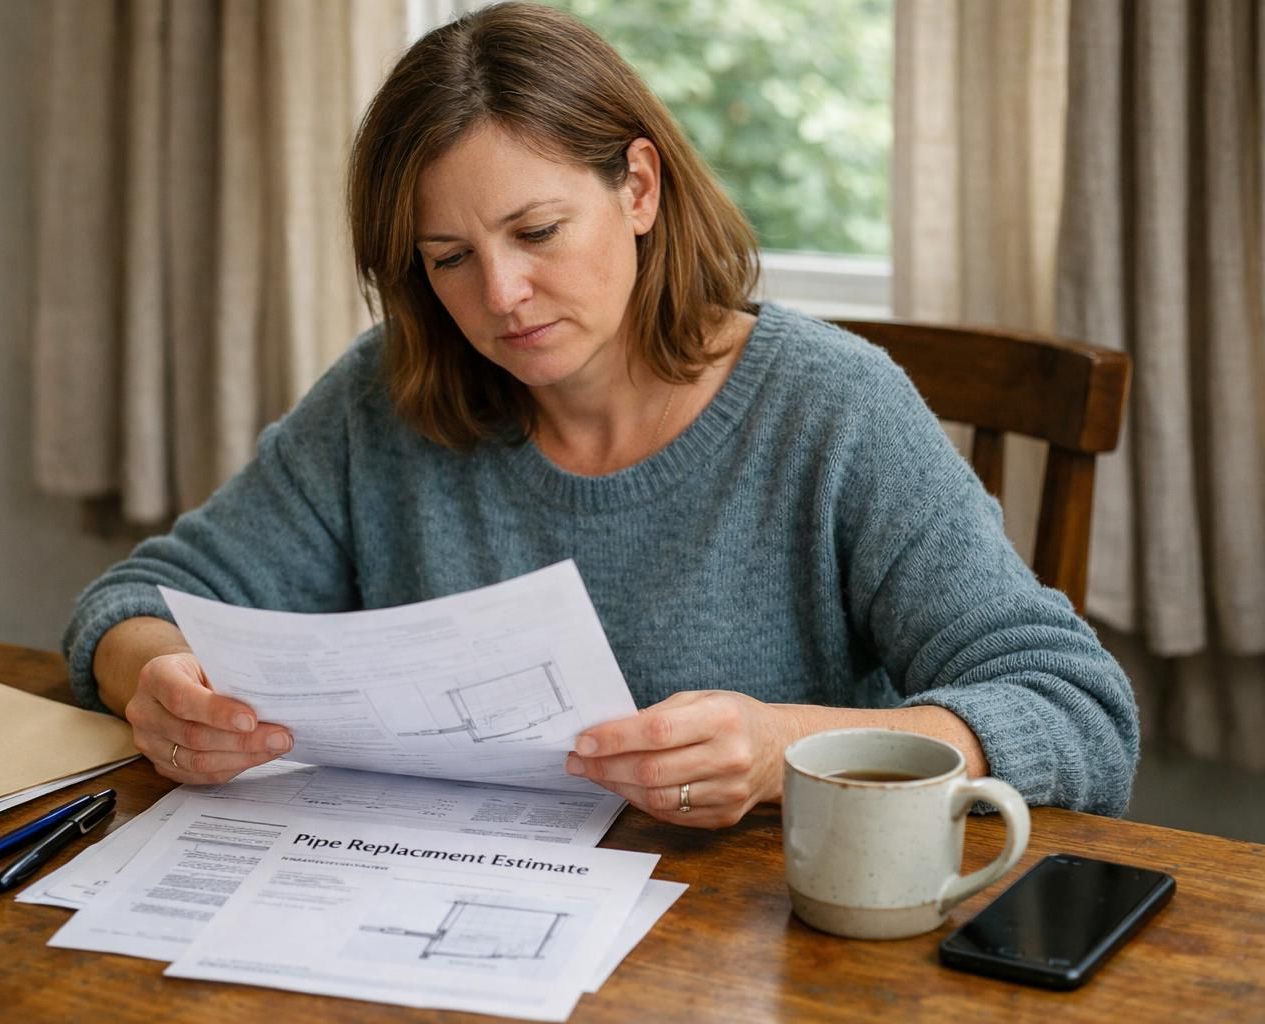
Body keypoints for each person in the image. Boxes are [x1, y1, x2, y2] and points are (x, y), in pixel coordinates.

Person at [64, 2, 1138, 828]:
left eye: (536, 230)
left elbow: (1080, 712)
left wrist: (787, 748)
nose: (500, 296)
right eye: (449, 259)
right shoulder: (384, 398)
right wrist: (154, 679)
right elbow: (131, 603)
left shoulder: (835, 409)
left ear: (638, 188)